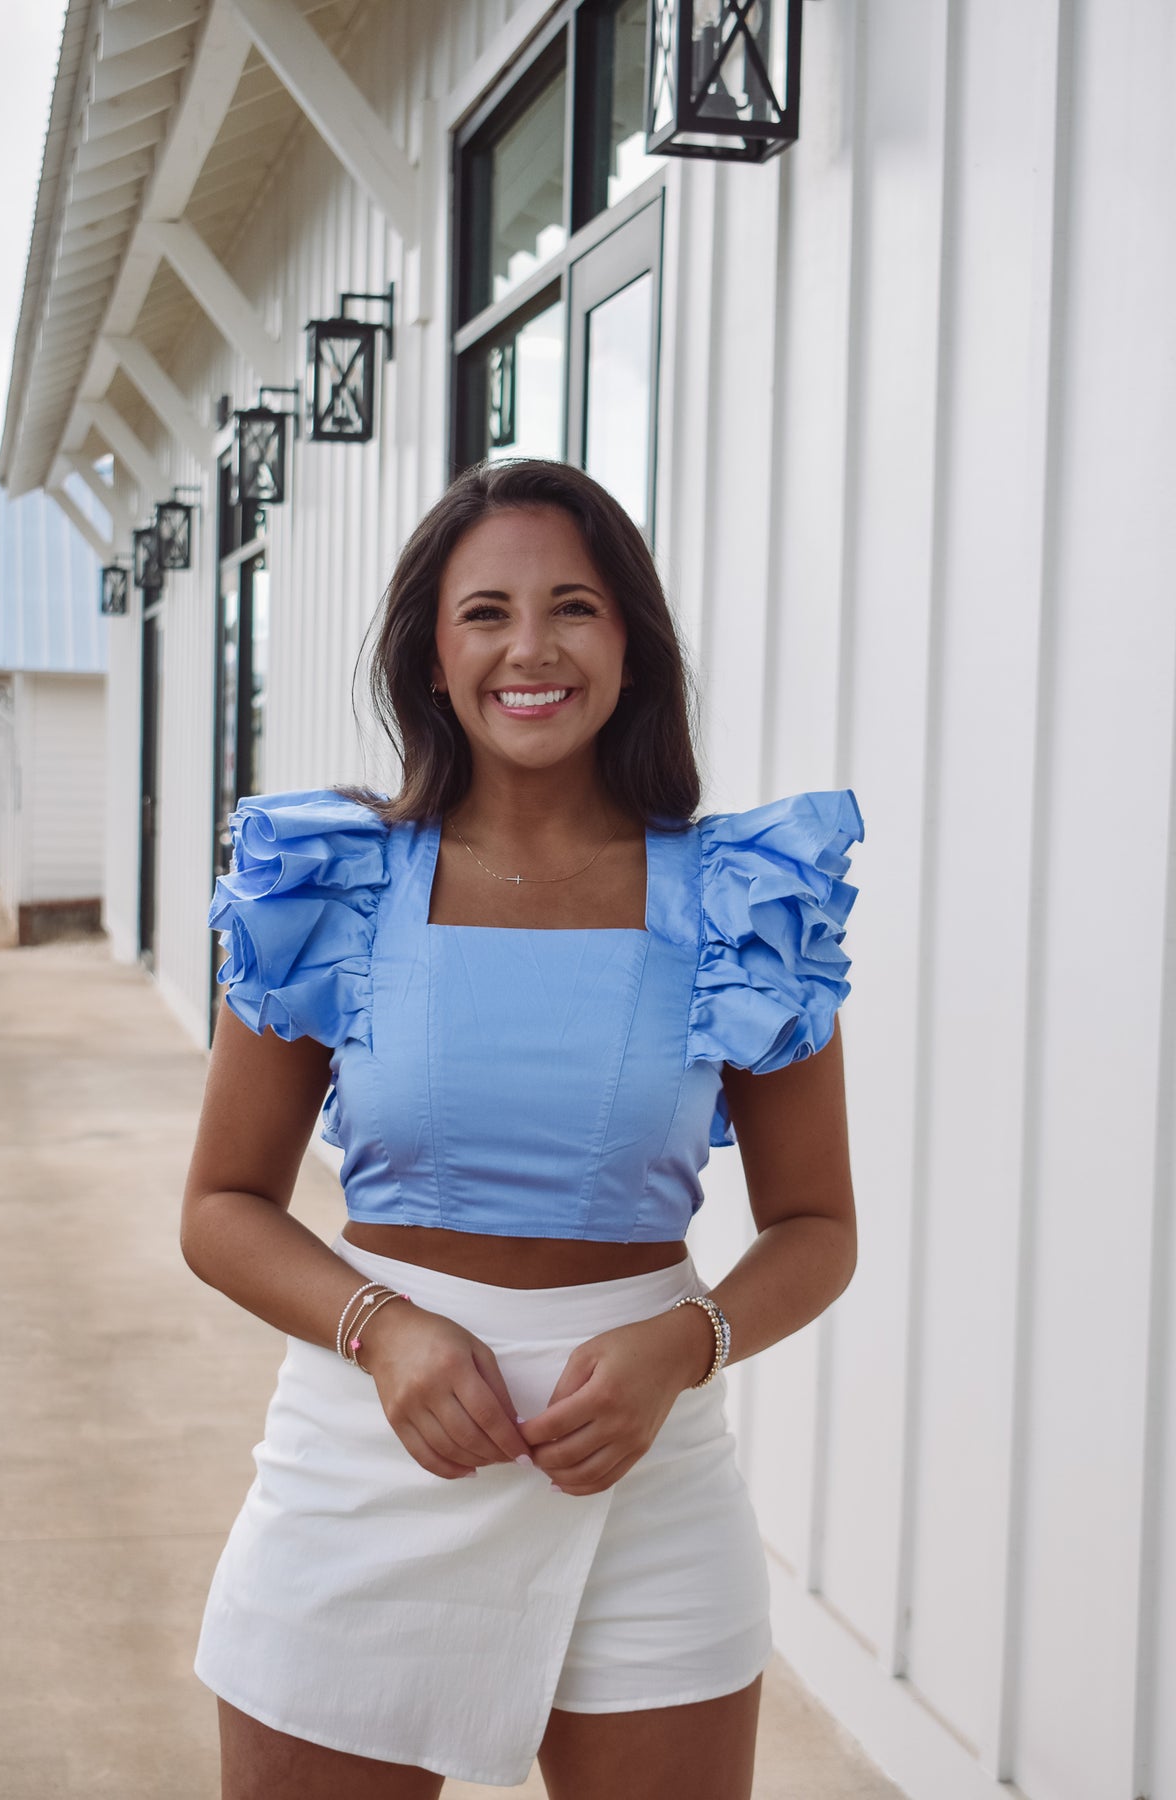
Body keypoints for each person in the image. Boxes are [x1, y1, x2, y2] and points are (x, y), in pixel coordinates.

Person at [182, 457, 863, 1800]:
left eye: (576, 608)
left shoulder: (743, 900)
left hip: (645, 1486)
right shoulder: (332, 883)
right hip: (367, 1457)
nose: (531, 648)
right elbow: (219, 1208)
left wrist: (693, 1339)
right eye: (485, 612)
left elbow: (818, 1227)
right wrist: (383, 1331)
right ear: (434, 657)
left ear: (632, 645)